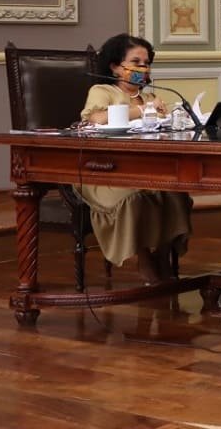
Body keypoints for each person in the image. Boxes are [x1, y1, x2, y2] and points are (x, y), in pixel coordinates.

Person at [79, 33, 192, 285]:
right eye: (136, 62)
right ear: (116, 66)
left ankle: (163, 254)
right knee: (134, 198)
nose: (143, 68)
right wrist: (142, 111)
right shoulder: (103, 90)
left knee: (176, 192)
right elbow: (95, 119)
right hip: (106, 171)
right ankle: (144, 258)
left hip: (148, 168)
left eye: (147, 63)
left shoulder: (151, 96)